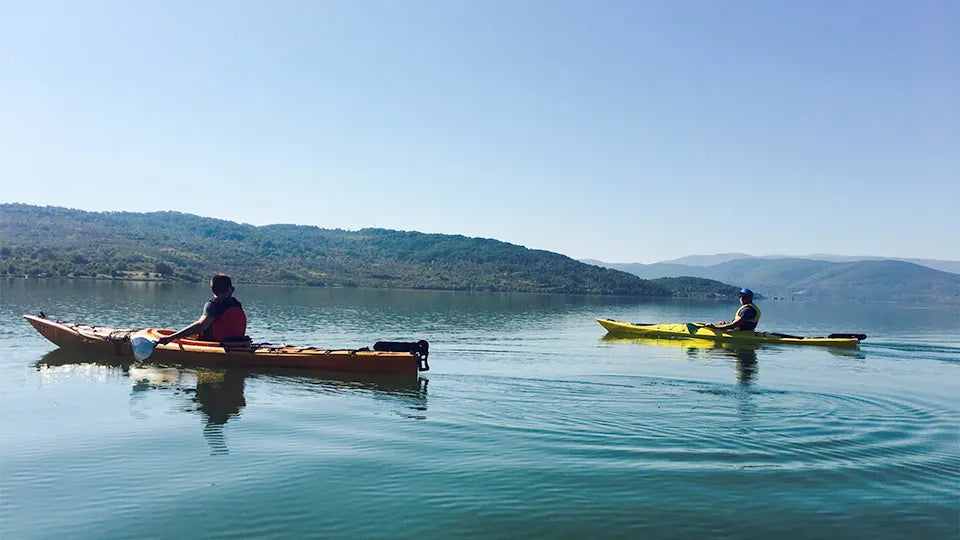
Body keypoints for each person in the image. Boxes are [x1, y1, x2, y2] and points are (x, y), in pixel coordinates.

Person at [157, 273, 248, 344]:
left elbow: (201, 325)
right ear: (230, 289)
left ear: (212, 289)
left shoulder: (213, 305)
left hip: (216, 345)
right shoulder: (236, 304)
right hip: (238, 344)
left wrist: (170, 338)